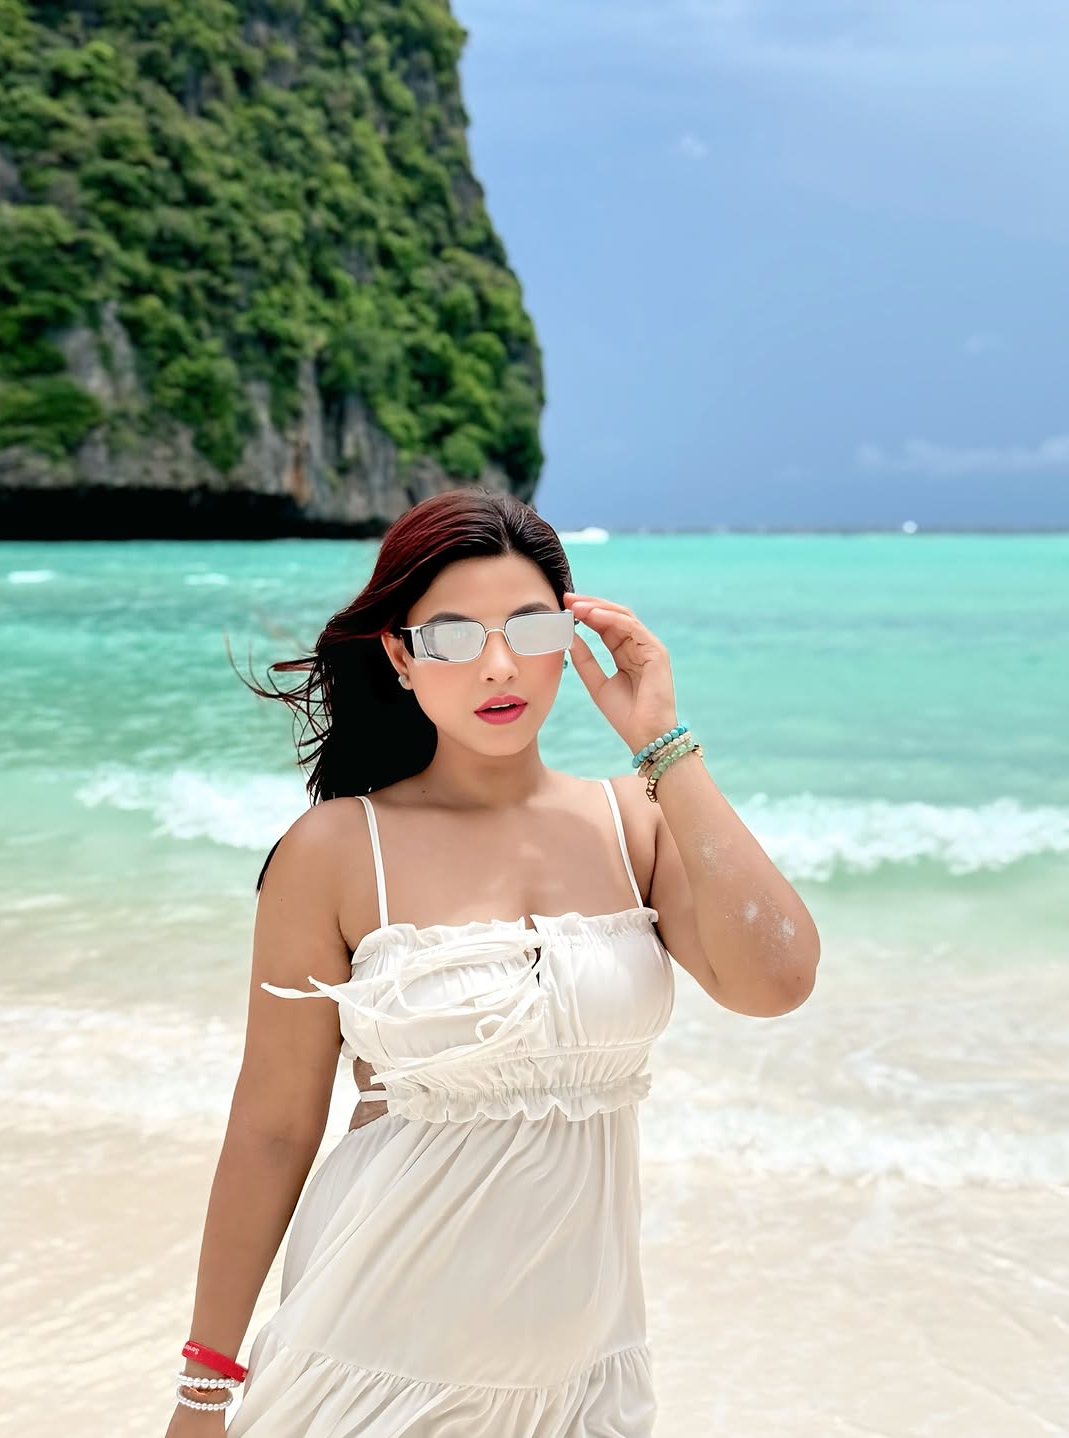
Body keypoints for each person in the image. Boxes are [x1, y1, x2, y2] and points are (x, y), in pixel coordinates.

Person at [165, 488, 820, 1436]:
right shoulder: (338, 850)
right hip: (367, 1367)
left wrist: (663, 746)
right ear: (399, 655)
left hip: (582, 1382)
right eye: (452, 637)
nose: (500, 664)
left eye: (530, 627)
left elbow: (777, 980)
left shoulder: (632, 825)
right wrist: (204, 1390)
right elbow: (273, 1129)